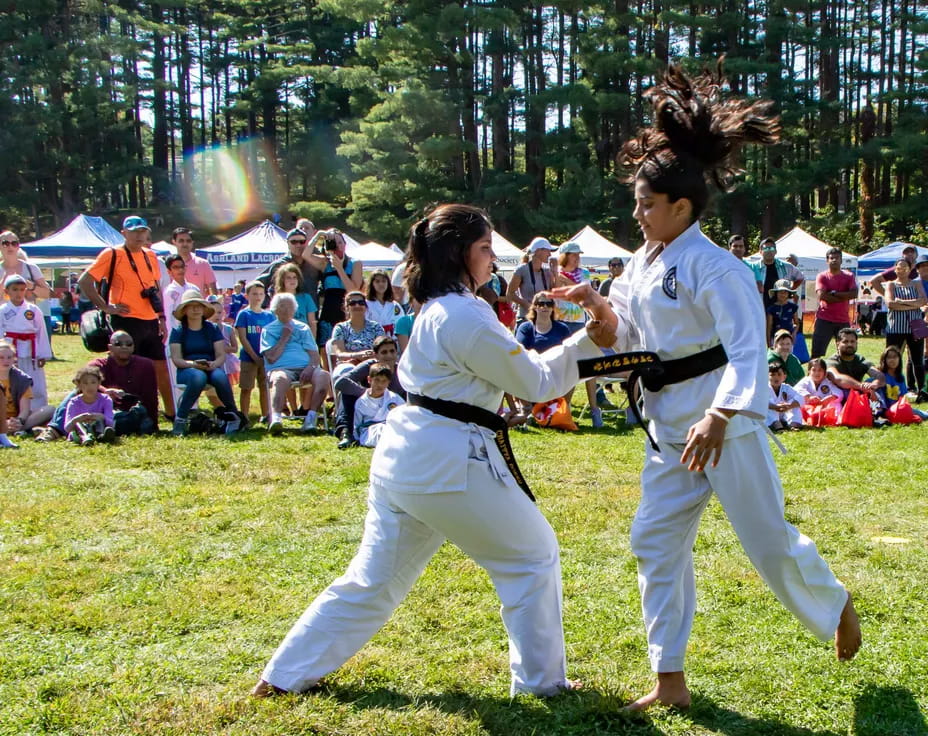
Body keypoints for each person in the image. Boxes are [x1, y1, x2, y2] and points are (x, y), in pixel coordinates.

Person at [552, 63, 860, 711]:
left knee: (766, 540)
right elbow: (625, 337)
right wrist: (599, 314)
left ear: (682, 207)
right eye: (636, 201)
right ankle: (670, 682)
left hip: (724, 420)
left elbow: (749, 352)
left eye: (646, 203)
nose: (636, 213)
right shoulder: (637, 265)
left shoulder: (717, 269)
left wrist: (720, 416)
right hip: (668, 424)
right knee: (653, 540)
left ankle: (834, 603)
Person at [252, 202, 609, 699]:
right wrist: (588, 339)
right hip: (447, 462)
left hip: (408, 460)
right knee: (531, 556)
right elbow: (535, 382)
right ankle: (542, 684)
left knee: (373, 580)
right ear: (459, 253)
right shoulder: (465, 314)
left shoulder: (444, 307)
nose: (492, 258)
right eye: (485, 248)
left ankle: (283, 676)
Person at [78, 216, 174, 420]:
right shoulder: (112, 254)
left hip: (150, 320)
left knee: (160, 367)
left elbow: (154, 290)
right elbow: (85, 281)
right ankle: (125, 413)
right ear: (124, 233)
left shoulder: (150, 256)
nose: (139, 235)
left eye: (142, 231)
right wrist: (105, 307)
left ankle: (172, 414)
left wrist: (162, 318)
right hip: (125, 321)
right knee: (127, 369)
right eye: (134, 231)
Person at [169, 290, 239, 436]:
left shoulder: (212, 328)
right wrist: (193, 364)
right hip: (187, 369)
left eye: (199, 306)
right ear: (184, 310)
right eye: (191, 306)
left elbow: (221, 355)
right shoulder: (178, 330)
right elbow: (177, 359)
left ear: (204, 309)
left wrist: (214, 363)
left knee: (220, 377)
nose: (196, 309)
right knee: (198, 377)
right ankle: (180, 419)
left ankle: (234, 416)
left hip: (211, 366)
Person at [260, 293, 330, 434]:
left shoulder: (303, 328)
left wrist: (311, 368)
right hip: (281, 368)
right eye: (282, 306)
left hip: (306, 367)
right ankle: (276, 419)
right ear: (275, 309)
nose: (286, 310)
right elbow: (271, 358)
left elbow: (314, 355)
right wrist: (284, 337)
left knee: (324, 376)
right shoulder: (268, 330)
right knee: (279, 379)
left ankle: (310, 419)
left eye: (290, 306)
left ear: (294, 309)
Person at [333, 335, 404, 450]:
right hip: (366, 408)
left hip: (390, 410)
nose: (389, 356)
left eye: (392, 351)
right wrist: (368, 393)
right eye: (384, 352)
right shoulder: (369, 366)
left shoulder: (402, 370)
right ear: (376, 355)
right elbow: (341, 382)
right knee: (346, 393)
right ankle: (345, 433)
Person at [1, 274, 52, 412]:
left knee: (36, 382)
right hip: (11, 350)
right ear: (7, 292)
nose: (19, 293)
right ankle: (12, 411)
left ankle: (37, 410)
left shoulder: (34, 310)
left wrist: (43, 354)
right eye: (15, 289)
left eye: (22, 289)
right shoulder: (3, 311)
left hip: (32, 351)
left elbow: (42, 332)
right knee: (12, 380)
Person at [305, 229, 364, 346]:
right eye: (334, 242)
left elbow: (353, 290)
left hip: (348, 308)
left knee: (348, 345)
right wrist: (318, 235)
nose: (337, 245)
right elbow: (306, 255)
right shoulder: (325, 263)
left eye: (340, 242)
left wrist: (339, 268)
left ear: (345, 244)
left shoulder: (355, 263)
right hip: (329, 309)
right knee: (326, 346)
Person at [884, 257, 927, 402]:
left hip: (917, 324)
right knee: (892, 358)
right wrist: (913, 305)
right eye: (899, 268)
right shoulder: (891, 285)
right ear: (895, 269)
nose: (901, 271)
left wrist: (901, 302)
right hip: (896, 326)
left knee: (918, 359)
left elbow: (923, 301)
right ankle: (893, 388)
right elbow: (890, 303)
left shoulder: (916, 283)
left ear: (910, 270)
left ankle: (922, 390)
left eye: (905, 268)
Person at [234, 281, 274, 422]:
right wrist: (254, 356)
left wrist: (267, 355)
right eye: (254, 294)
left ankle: (266, 414)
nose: (258, 297)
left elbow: (272, 336)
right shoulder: (244, 314)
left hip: (266, 358)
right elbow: (243, 338)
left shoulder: (269, 316)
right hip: (248, 357)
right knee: (246, 387)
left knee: (265, 388)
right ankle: (244, 415)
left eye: (261, 294)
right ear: (247, 295)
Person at [257, 227, 323, 307]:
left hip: (311, 314)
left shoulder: (313, 263)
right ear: (288, 243)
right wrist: (269, 304)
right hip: (286, 313)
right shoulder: (280, 265)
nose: (298, 245)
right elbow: (257, 285)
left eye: (302, 242)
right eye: (294, 242)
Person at [811, 247, 858, 359]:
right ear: (827, 260)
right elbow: (821, 296)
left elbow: (854, 294)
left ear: (841, 260)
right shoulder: (822, 276)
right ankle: (813, 375)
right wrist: (844, 295)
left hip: (843, 320)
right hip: (824, 319)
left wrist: (833, 293)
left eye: (837, 258)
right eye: (831, 258)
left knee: (847, 352)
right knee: (816, 353)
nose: (834, 260)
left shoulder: (849, 276)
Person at [0, 339, 52, 437]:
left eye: (9, 357)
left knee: (49, 410)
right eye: (1, 358)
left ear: (14, 359)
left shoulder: (22, 379)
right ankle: (8, 429)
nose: (6, 361)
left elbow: (25, 410)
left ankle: (15, 428)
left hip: (16, 419)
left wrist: (18, 421)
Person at [329, 292, 386, 378]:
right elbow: (339, 354)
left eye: (361, 303)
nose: (357, 305)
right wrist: (358, 356)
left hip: (373, 364)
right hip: (348, 365)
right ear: (347, 308)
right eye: (352, 303)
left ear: (366, 307)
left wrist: (368, 358)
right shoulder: (340, 328)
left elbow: (383, 349)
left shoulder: (376, 327)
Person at [352, 362, 405, 447]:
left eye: (384, 381)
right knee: (381, 429)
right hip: (370, 431)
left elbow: (404, 415)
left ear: (388, 383)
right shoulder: (361, 402)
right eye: (377, 380)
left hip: (391, 427)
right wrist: (356, 438)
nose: (380, 384)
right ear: (369, 380)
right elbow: (357, 425)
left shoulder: (394, 398)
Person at [825, 328, 885, 401]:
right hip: (838, 396)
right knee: (846, 391)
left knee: (877, 383)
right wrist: (861, 386)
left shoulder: (861, 360)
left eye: (852, 341)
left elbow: (879, 375)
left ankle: (881, 409)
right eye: (845, 342)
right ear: (838, 344)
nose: (849, 344)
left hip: (858, 393)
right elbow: (838, 378)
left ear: (856, 343)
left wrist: (876, 384)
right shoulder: (832, 361)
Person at [506, 237, 557, 322]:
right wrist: (528, 305)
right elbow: (510, 294)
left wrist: (555, 272)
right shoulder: (522, 269)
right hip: (525, 318)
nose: (550, 254)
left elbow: (554, 293)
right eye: (548, 251)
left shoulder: (547, 271)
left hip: (544, 319)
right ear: (538, 251)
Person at [63, 365, 116, 445]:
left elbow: (110, 422)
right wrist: (78, 419)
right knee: (78, 427)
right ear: (79, 385)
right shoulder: (74, 402)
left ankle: (102, 436)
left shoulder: (105, 399)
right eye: (85, 383)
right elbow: (67, 427)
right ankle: (84, 438)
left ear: (99, 384)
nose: (89, 386)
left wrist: (100, 416)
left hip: (99, 428)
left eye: (93, 382)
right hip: (79, 430)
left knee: (100, 423)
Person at [751, 237, 804, 309]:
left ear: (776, 251)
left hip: (781, 310)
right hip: (759, 309)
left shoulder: (786, 266)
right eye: (765, 248)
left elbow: (800, 277)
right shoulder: (753, 268)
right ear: (760, 252)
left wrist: (790, 289)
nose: (769, 251)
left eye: (772, 249)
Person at [1, 231, 51, 299]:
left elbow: (46, 294)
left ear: (18, 246)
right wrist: (4, 279)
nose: (10, 246)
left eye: (14, 243)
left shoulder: (31, 268)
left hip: (27, 309)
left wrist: (31, 286)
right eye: (5, 243)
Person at [273, 262, 318, 337]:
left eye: (294, 277)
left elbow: (312, 323)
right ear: (282, 280)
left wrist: (312, 343)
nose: (292, 280)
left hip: (303, 337)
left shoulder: (306, 298)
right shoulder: (278, 299)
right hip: (284, 338)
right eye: (288, 277)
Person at [170, 227, 217, 295]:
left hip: (198, 305)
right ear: (174, 242)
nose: (185, 244)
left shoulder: (203, 264)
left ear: (192, 242)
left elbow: (213, 292)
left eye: (188, 241)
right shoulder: (168, 264)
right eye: (181, 241)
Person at [766, 361, 803, 431]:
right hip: (771, 414)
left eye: (779, 374)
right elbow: (760, 403)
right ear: (767, 376)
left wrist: (789, 405)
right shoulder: (764, 388)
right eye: (773, 375)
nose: (776, 377)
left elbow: (800, 397)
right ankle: (776, 425)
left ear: (784, 377)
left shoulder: (786, 387)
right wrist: (775, 407)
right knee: (767, 407)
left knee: (795, 405)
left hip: (784, 412)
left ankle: (793, 424)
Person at [365, 270, 403, 334]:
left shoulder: (395, 305)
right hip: (373, 338)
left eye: (384, 281)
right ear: (372, 284)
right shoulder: (366, 304)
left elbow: (401, 323)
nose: (381, 284)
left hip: (392, 338)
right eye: (377, 281)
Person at [766, 279, 800, 347]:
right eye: (780, 292)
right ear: (776, 293)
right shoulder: (771, 308)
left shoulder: (792, 307)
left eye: (785, 292)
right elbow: (769, 327)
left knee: (787, 354)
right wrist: (769, 343)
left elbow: (797, 323)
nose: (783, 294)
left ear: (789, 294)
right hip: (776, 338)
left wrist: (794, 333)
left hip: (789, 338)